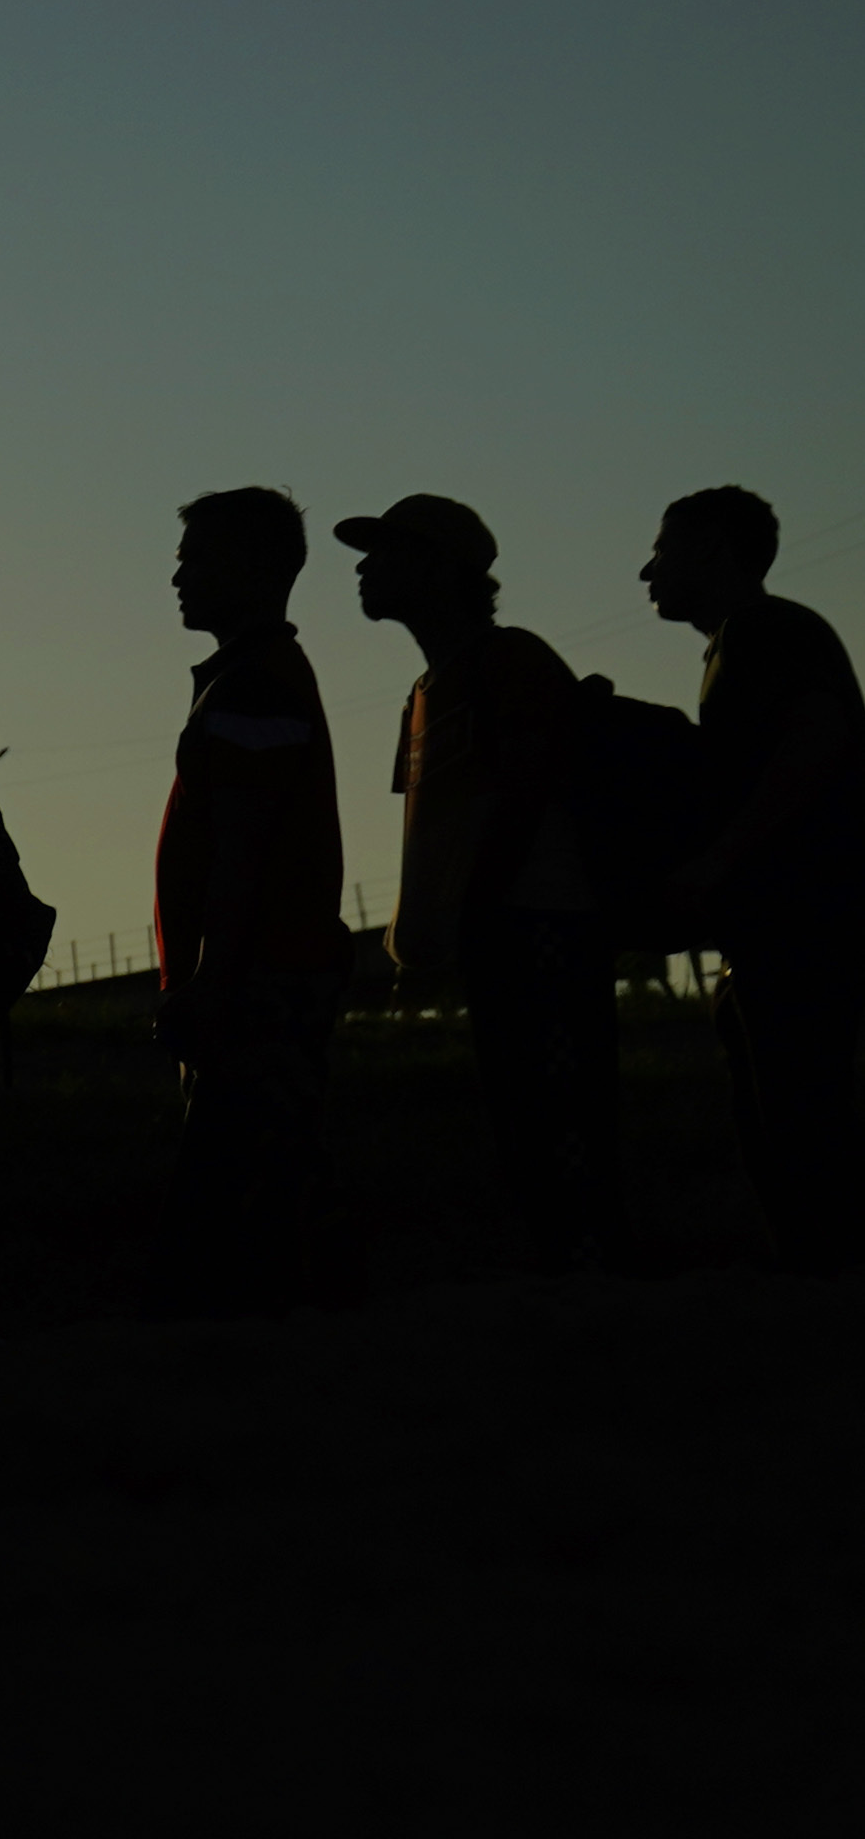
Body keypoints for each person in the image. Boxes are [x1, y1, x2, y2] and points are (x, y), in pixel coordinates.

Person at [347, 494, 620, 1270]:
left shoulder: (511, 660)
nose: (363, 569)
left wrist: (471, 909)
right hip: (491, 934)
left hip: (544, 926)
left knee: (562, 1119)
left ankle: (594, 1279)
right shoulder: (423, 692)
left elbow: (529, 792)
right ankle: (562, 1274)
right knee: (520, 1121)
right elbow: (429, 833)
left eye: (384, 551)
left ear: (440, 570)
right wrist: (419, 934)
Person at [637, 485, 861, 1269]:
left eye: (661, 549)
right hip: (770, 938)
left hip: (807, 935)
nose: (645, 570)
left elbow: (817, 740)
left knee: (811, 1136)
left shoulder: (769, 629)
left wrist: (719, 857)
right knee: (779, 1134)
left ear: (709, 548)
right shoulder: (738, 641)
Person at [145, 487, 349, 1317]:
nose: (177, 577)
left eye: (195, 559)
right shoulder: (248, 677)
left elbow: (242, 849)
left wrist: (208, 981)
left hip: (257, 987)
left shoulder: (254, 685)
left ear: (254, 567)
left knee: (238, 1206)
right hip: (258, 982)